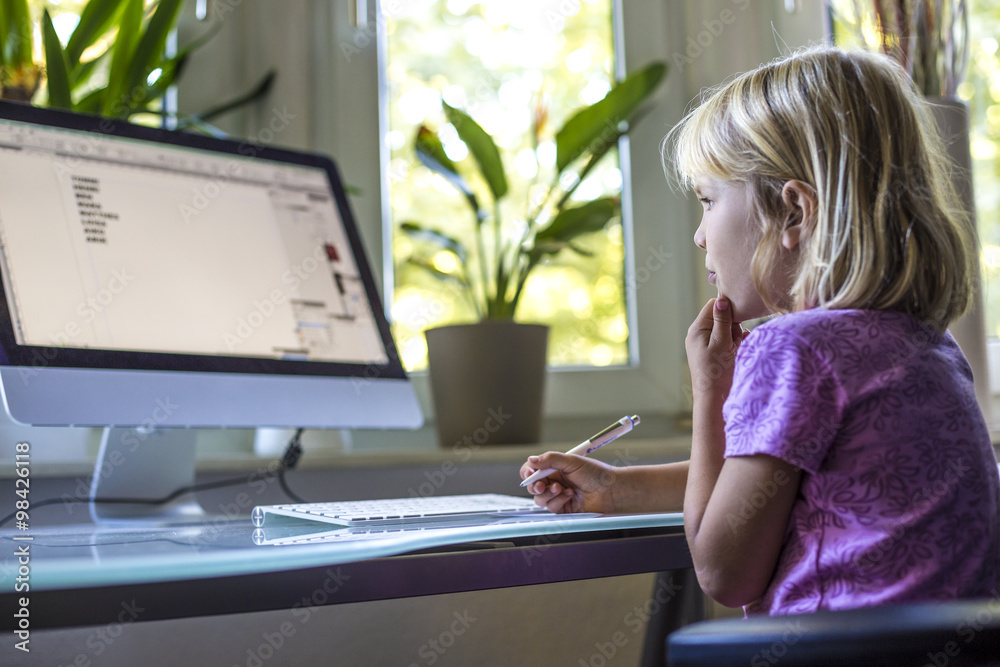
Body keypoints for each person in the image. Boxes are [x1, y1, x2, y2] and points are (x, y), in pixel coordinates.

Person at [520, 46, 1000, 616]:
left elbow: (723, 570)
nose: (700, 236)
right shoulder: (927, 343)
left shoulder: (795, 349)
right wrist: (617, 488)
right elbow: (776, 477)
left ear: (793, 213)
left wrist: (711, 389)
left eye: (707, 202)